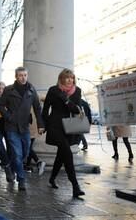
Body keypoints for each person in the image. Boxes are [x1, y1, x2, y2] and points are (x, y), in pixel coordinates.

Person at [0, 67, 44, 191]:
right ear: (16, 76)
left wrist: (40, 125)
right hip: (11, 127)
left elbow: (37, 108)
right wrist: (8, 116)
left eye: (25, 75)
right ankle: (21, 179)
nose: (23, 77)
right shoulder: (8, 90)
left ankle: (12, 168)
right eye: (20, 75)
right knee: (17, 154)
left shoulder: (31, 89)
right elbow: (0, 105)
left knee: (25, 153)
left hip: (24, 127)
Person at [42, 68, 85, 198]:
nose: (69, 80)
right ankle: (75, 186)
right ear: (61, 79)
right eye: (67, 78)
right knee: (67, 152)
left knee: (62, 154)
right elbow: (45, 109)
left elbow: (77, 110)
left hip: (68, 127)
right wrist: (43, 124)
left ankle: (52, 178)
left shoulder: (77, 91)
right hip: (55, 125)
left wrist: (66, 100)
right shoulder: (53, 90)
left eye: (71, 78)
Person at [24, 108, 46, 176]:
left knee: (28, 147)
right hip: (34, 126)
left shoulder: (31, 99)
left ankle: (38, 162)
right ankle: (28, 165)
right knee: (29, 147)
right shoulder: (34, 100)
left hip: (29, 127)